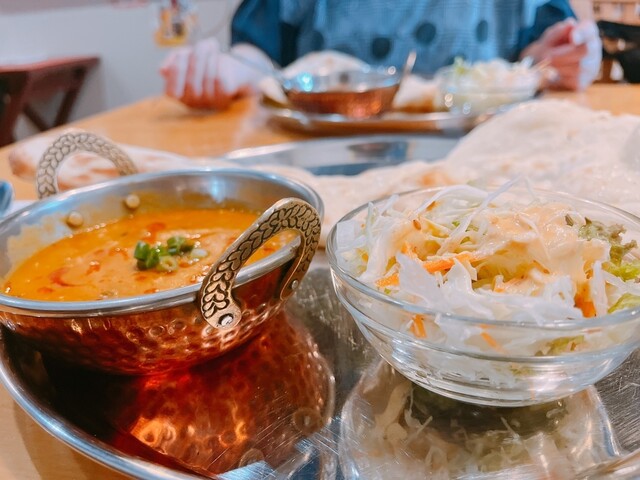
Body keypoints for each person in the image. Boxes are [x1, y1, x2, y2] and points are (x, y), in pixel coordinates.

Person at [161, 0, 602, 110]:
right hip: (325, 157)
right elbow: (260, 55)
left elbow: (537, 55)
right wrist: (230, 69)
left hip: (485, 157)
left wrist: (563, 57)